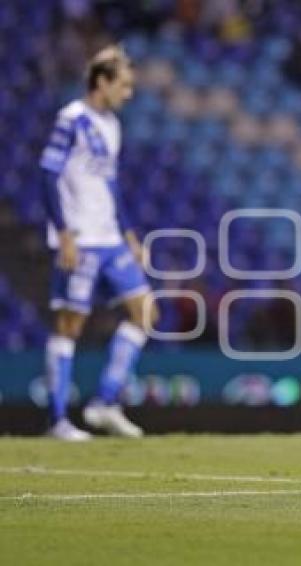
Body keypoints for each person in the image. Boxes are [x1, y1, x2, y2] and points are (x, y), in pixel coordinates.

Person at [40, 44, 158, 441]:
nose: (128, 94)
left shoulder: (112, 125)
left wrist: (128, 233)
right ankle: (58, 420)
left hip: (110, 238)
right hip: (80, 238)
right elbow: (48, 176)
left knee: (145, 311)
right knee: (70, 325)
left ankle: (104, 402)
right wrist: (64, 233)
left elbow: (111, 185)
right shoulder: (71, 119)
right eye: (123, 85)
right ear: (102, 82)